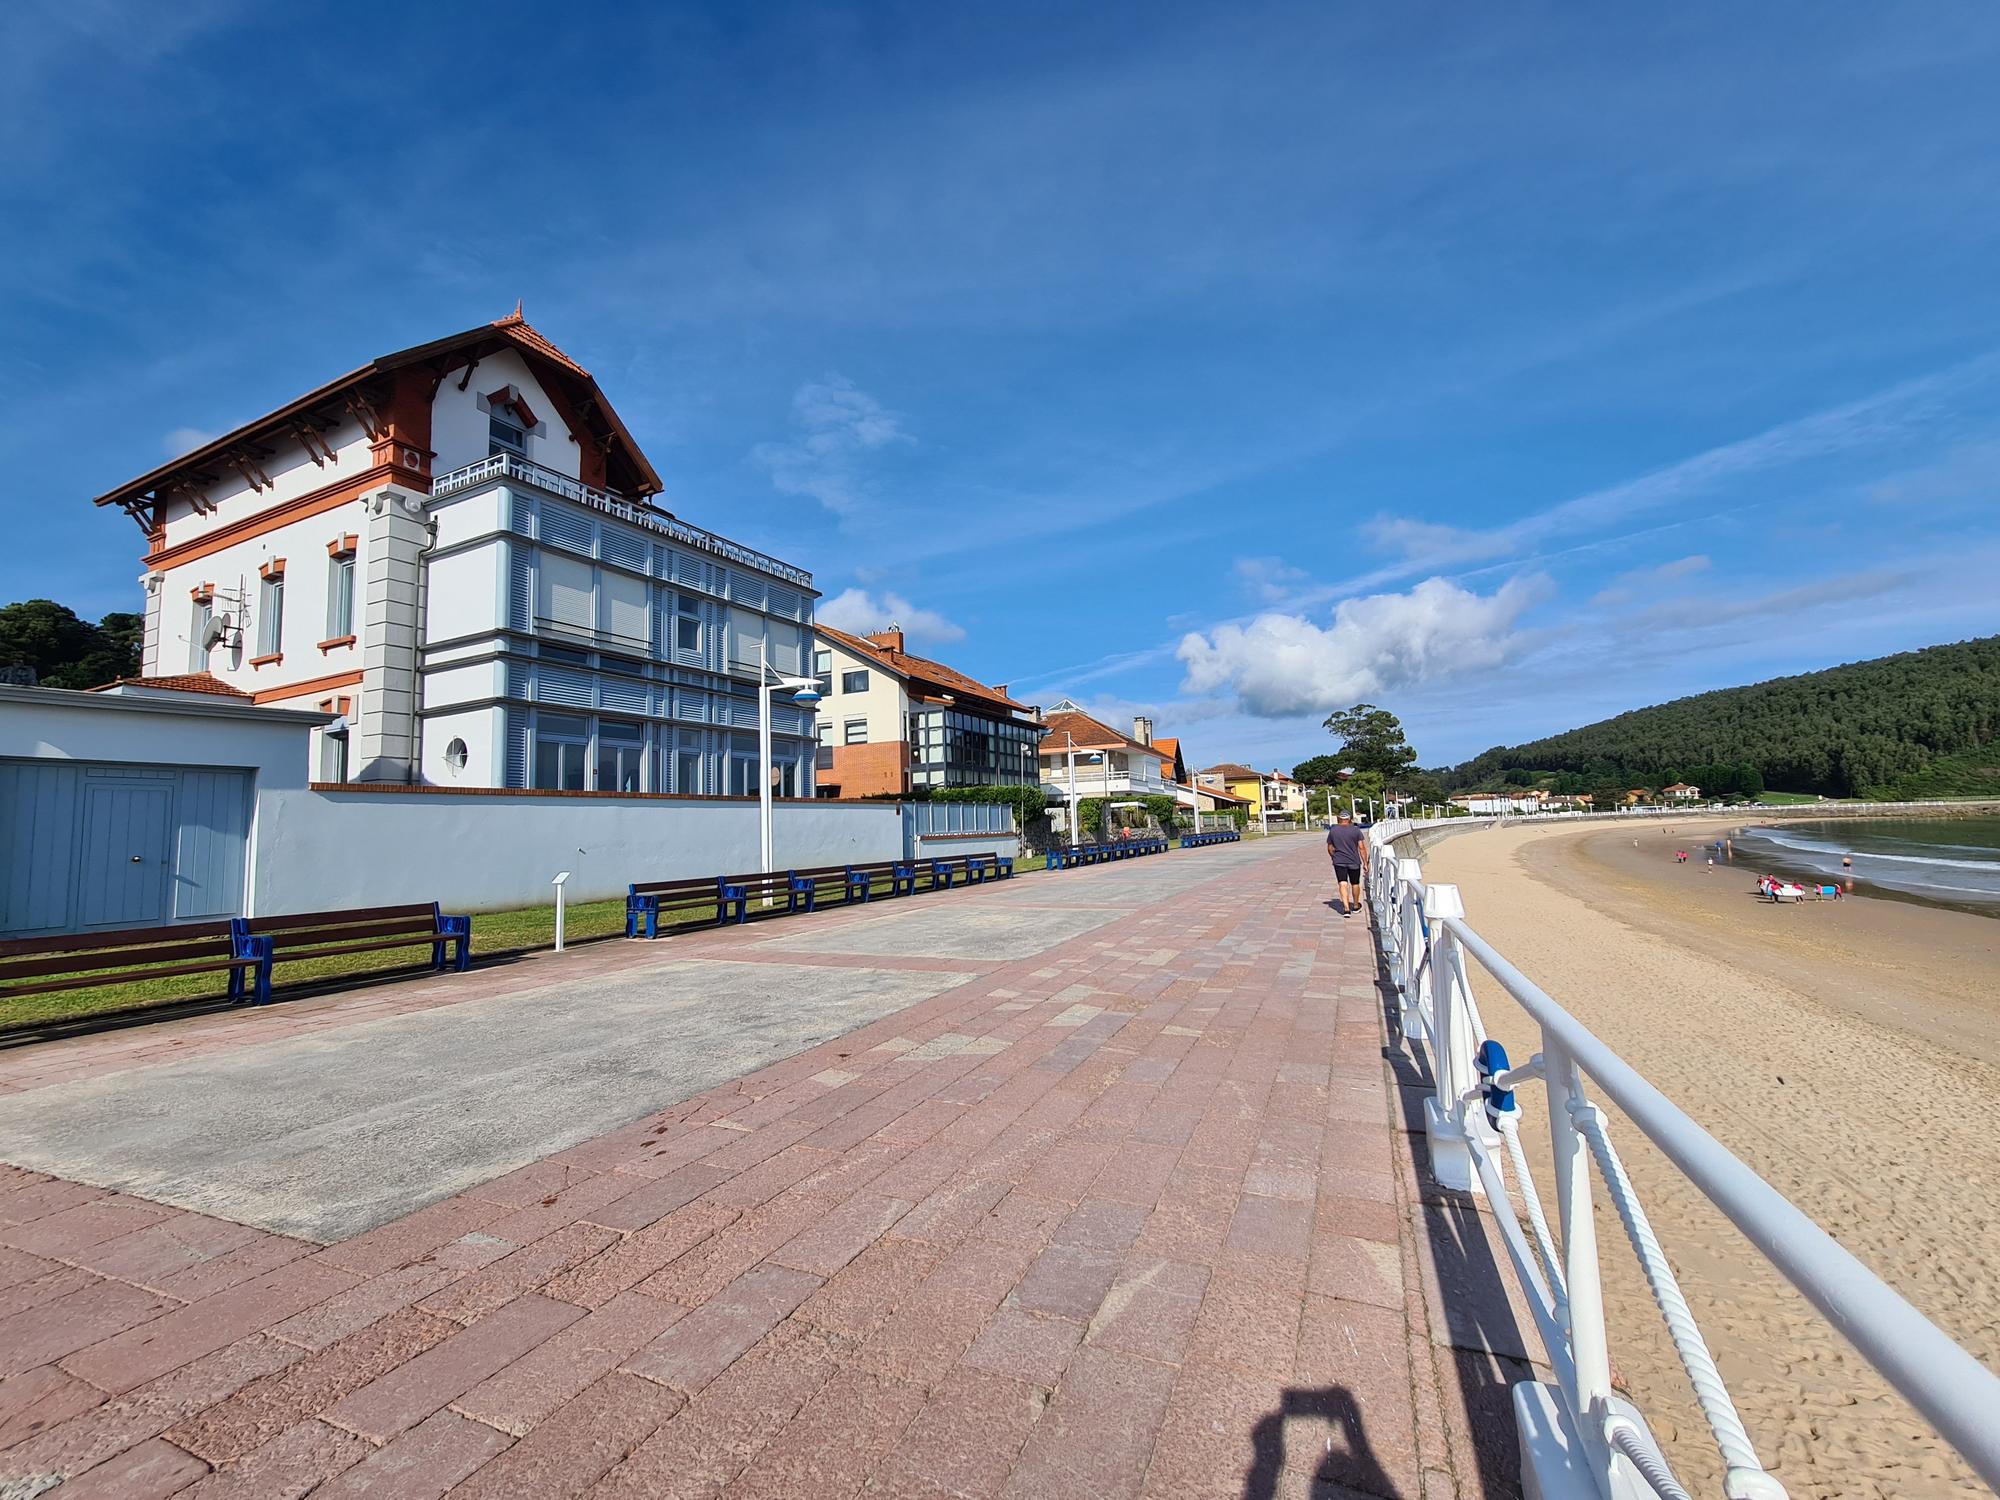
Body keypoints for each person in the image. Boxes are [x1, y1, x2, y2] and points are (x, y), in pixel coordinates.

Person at [1326, 813, 1368, 917]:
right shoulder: (1356, 830)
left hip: (1339, 861)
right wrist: (1365, 863)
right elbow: (1361, 847)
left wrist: (1333, 856)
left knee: (1342, 883)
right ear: (1349, 819)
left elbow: (1330, 847)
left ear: (1339, 819)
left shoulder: (1333, 830)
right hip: (1354, 861)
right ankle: (1355, 906)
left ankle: (1346, 909)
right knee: (1355, 883)